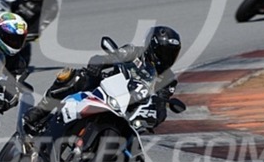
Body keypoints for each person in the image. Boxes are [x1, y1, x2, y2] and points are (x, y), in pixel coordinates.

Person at [22, 26, 182, 134]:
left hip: (130, 109)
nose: (167, 57)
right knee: (74, 76)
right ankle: (41, 111)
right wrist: (98, 63)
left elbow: (161, 107)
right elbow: (113, 56)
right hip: (108, 88)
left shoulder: (168, 79)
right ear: (152, 47)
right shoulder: (135, 52)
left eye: (172, 53)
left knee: (135, 157)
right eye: (164, 52)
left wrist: (157, 113)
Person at [0, 0, 59, 64]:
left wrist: (19, 35)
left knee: (19, 65)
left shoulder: (51, 5)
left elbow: (37, 30)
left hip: (17, 37)